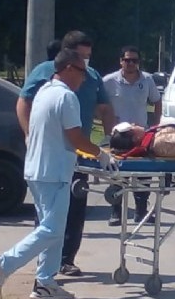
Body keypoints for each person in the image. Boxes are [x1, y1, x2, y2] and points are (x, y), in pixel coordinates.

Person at [0, 49, 118, 299]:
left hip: (38, 169)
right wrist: (101, 154)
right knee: (53, 229)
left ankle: (45, 282)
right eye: (82, 72)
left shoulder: (44, 91)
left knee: (52, 227)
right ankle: (2, 264)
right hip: (53, 171)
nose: (84, 79)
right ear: (67, 69)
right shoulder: (66, 97)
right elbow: (75, 136)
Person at [15, 30, 115, 277]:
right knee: (50, 223)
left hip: (76, 155)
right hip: (57, 154)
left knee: (74, 210)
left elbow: (105, 108)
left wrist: (109, 141)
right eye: (82, 59)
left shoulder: (90, 77)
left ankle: (59, 266)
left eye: (88, 58)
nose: (86, 66)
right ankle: (11, 264)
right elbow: (24, 103)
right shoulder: (49, 77)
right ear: (68, 60)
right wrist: (28, 133)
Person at [103, 45, 162, 225]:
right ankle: (116, 212)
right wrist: (108, 127)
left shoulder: (147, 80)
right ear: (121, 61)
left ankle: (141, 212)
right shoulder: (108, 81)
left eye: (134, 60)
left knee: (143, 174)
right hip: (117, 136)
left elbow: (157, 102)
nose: (130, 63)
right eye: (127, 60)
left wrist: (155, 126)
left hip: (140, 136)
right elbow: (100, 106)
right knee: (117, 174)